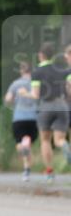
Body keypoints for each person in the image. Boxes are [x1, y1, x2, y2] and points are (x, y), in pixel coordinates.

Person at [30, 42, 71, 183]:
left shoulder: (37, 72)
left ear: (41, 55)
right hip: (62, 105)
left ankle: (49, 173)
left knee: (45, 140)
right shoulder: (62, 69)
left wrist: (24, 93)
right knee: (59, 139)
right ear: (53, 56)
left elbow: (35, 95)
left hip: (46, 106)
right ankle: (64, 145)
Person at [5, 61, 38, 182]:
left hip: (19, 117)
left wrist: (13, 102)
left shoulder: (15, 84)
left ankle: (26, 165)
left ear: (21, 71)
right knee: (29, 141)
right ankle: (26, 169)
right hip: (33, 117)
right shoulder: (35, 83)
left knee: (19, 142)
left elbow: (8, 99)